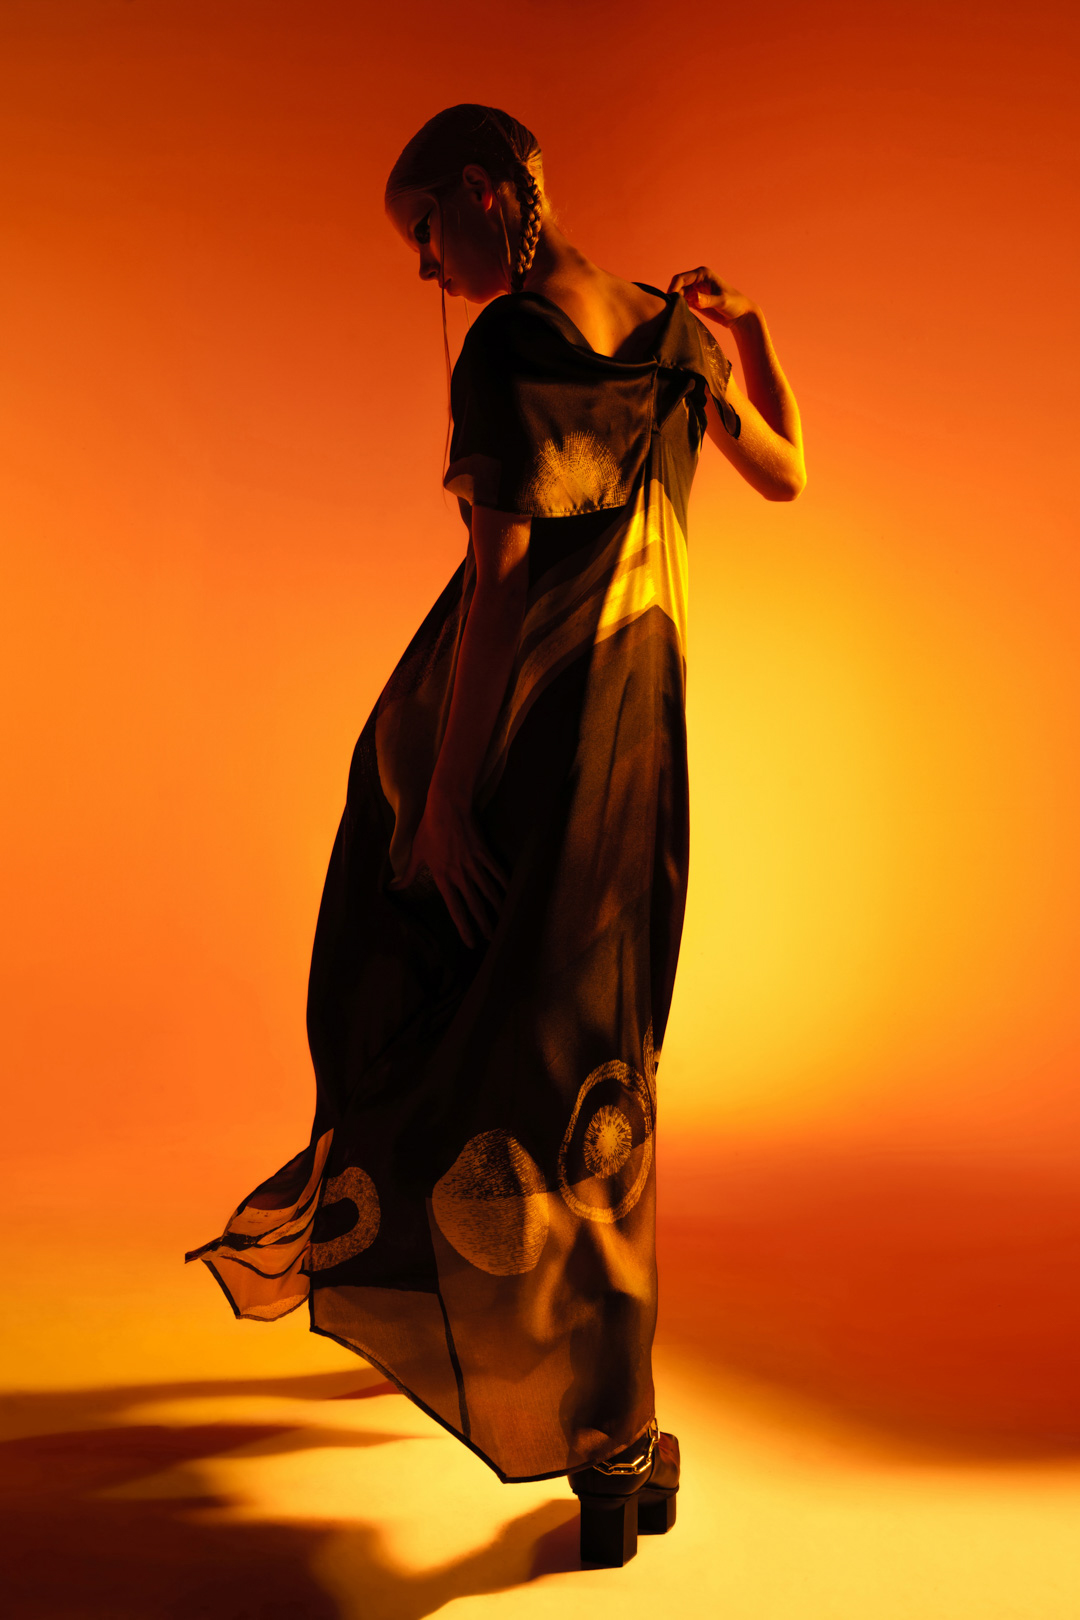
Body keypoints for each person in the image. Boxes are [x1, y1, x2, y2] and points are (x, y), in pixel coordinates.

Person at [187, 103, 805, 1567]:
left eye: (424, 233)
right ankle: (607, 1426)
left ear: (483, 190)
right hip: (644, 747)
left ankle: (594, 1417)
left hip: (542, 746)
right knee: (601, 1062)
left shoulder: (511, 346)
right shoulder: (678, 336)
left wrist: (448, 795)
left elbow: (499, 587)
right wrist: (755, 332)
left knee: (469, 1021)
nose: (427, 270)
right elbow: (785, 468)